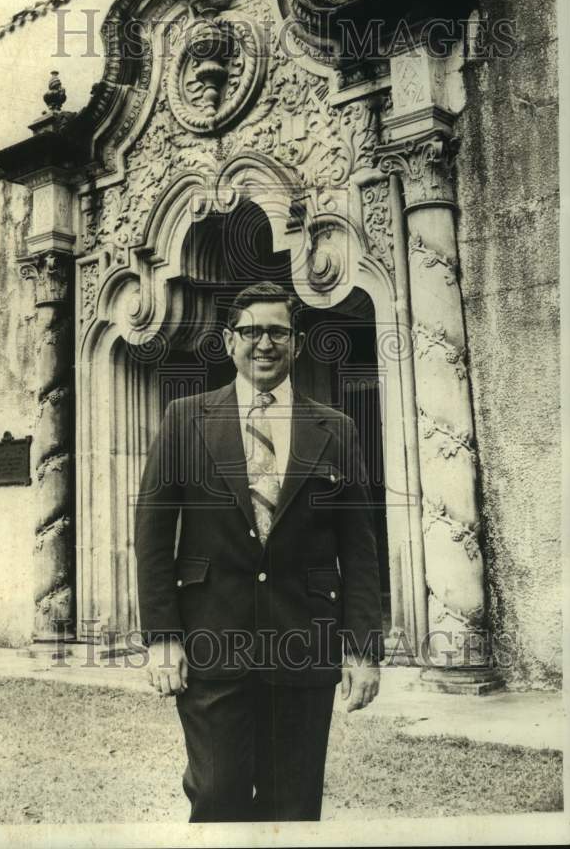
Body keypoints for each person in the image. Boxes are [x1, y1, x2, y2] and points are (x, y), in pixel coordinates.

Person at [134, 280, 383, 822]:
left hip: (304, 643)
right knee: (217, 795)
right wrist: (162, 638)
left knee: (292, 806)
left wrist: (362, 648)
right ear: (229, 341)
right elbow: (152, 537)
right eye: (251, 331)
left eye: (277, 331)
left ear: (296, 342)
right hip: (211, 643)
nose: (263, 343)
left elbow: (359, 548)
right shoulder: (184, 419)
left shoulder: (335, 428)